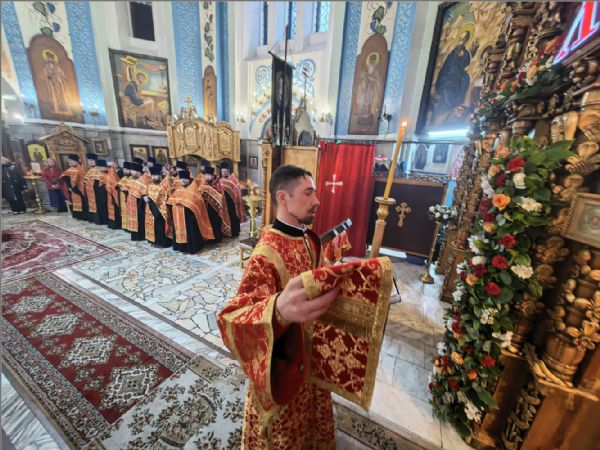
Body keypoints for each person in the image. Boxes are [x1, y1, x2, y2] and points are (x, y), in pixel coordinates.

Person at [217, 165, 339, 448]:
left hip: (309, 356)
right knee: (285, 431)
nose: (317, 201)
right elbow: (234, 320)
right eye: (308, 193)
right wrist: (277, 311)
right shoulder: (265, 254)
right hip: (283, 364)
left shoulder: (307, 237)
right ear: (283, 197)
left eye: (315, 193)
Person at [166, 170, 215, 254]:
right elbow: (170, 201)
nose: (183, 180)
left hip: (189, 218)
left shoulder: (194, 191)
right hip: (178, 217)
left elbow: (198, 203)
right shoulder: (177, 190)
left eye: (185, 179)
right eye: (181, 179)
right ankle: (180, 246)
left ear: (189, 180)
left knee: (191, 231)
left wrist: (186, 205)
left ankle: (191, 247)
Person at [198, 166, 232, 242]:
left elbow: (220, 196)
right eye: (206, 175)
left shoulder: (217, 184)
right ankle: (208, 238)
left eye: (209, 175)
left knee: (215, 222)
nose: (207, 177)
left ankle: (216, 238)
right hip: (205, 208)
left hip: (215, 208)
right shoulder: (202, 185)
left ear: (213, 176)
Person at [144, 164, 172, 247]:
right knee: (154, 226)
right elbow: (145, 193)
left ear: (160, 176)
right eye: (152, 176)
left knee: (161, 226)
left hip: (161, 210)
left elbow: (168, 196)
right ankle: (155, 241)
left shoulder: (164, 185)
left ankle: (163, 242)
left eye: (155, 176)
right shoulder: (149, 186)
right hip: (150, 210)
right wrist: (144, 197)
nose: (154, 178)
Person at [216, 162, 244, 236]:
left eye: (225, 172)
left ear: (228, 171)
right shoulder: (220, 180)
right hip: (224, 202)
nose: (224, 173)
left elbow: (237, 192)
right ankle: (226, 231)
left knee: (233, 216)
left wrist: (236, 200)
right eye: (222, 172)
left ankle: (235, 232)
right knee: (225, 216)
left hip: (232, 202)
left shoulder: (233, 180)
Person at [127, 162, 150, 241]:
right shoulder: (135, 180)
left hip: (140, 204)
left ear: (138, 172)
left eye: (133, 171)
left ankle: (141, 236)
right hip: (133, 204)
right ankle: (136, 236)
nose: (131, 172)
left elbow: (145, 192)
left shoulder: (143, 180)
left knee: (140, 219)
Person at [60, 154, 87, 220]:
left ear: (76, 161)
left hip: (83, 187)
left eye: (71, 161)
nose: (70, 163)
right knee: (76, 201)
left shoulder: (82, 168)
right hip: (74, 189)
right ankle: (78, 216)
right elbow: (65, 178)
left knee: (84, 202)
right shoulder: (69, 170)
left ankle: (85, 216)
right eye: (69, 161)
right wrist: (71, 187)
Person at [106, 160, 122, 230]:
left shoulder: (118, 172)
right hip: (112, 193)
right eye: (114, 164)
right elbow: (111, 184)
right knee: (113, 210)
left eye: (116, 164)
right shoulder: (111, 174)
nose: (115, 165)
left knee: (116, 210)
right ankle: (114, 225)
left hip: (116, 193)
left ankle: (117, 224)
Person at [117, 162, 132, 231]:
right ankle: (125, 226)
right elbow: (118, 186)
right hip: (122, 198)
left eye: (126, 169)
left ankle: (130, 227)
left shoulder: (132, 179)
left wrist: (125, 188)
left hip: (129, 198)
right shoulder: (124, 178)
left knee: (129, 212)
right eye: (124, 169)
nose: (124, 171)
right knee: (124, 212)